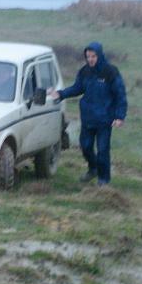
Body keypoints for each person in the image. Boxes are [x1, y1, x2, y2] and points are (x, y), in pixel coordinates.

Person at [51, 41, 127, 186]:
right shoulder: (84, 71)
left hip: (105, 120)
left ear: (100, 55)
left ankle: (103, 180)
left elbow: (120, 95)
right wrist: (60, 94)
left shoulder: (111, 72)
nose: (90, 59)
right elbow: (77, 88)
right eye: (88, 56)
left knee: (103, 150)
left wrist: (119, 116)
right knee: (85, 147)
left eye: (93, 56)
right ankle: (93, 169)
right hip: (87, 118)